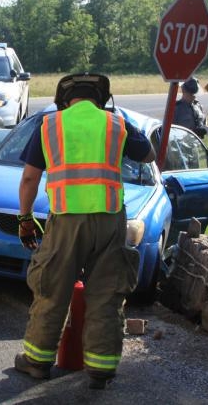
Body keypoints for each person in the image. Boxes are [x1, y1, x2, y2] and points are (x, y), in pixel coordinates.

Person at [13, 73, 156, 390]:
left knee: (52, 289)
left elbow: (28, 179)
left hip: (66, 221)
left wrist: (25, 218)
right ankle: (101, 368)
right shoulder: (115, 124)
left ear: (65, 100)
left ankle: (37, 362)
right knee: (106, 294)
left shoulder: (50, 125)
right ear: (100, 99)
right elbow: (148, 155)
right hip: (109, 219)